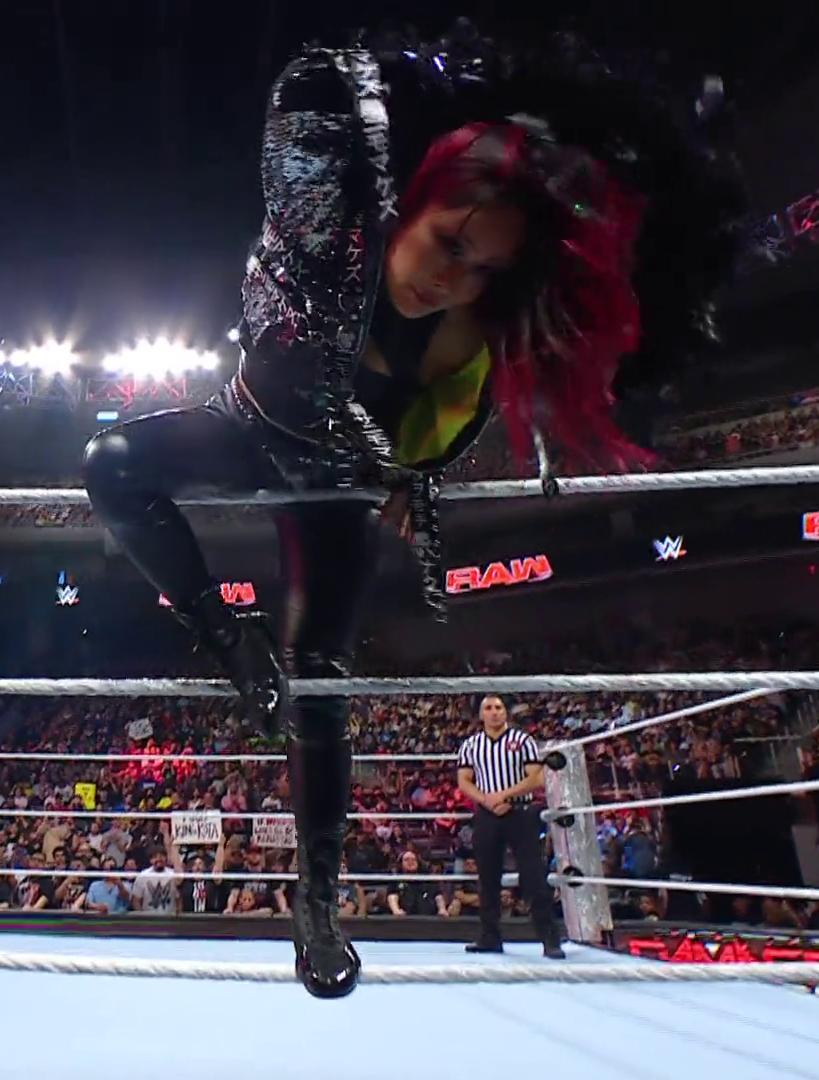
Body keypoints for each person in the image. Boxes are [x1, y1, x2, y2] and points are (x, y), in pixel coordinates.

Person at [80, 24, 740, 998]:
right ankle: (225, 639)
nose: (451, 279)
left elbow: (438, 428)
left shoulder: (472, 331)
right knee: (111, 465)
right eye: (450, 243)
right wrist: (385, 82)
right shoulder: (325, 228)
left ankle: (318, 904)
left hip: (337, 483)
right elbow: (303, 95)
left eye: (483, 269)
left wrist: (409, 475)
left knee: (322, 684)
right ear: (410, 202)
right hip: (248, 426)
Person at [456, 695, 563, 959]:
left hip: (520, 812)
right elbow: (464, 780)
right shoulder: (471, 745)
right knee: (487, 876)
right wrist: (488, 800)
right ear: (481, 715)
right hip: (487, 813)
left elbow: (536, 778)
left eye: (498, 707)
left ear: (505, 712)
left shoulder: (523, 741)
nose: (494, 712)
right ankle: (490, 936)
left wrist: (503, 795)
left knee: (533, 874)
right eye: (488, 708)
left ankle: (549, 938)